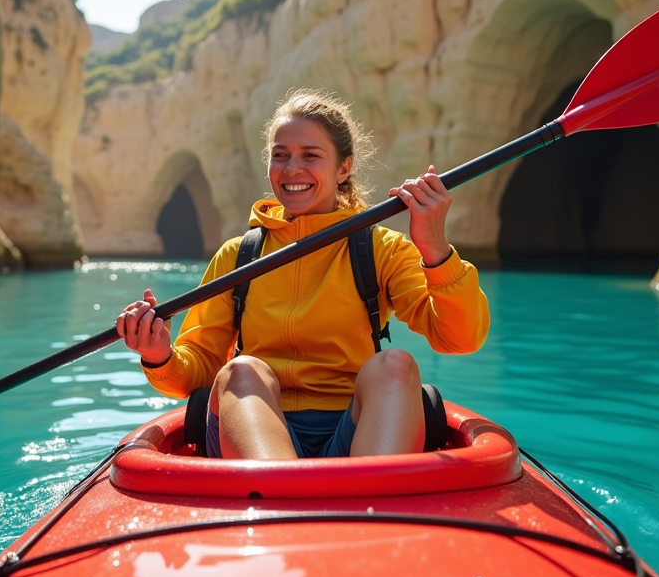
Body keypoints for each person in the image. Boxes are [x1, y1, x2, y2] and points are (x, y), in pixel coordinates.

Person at [116, 89, 489, 460]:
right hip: (257, 426)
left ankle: (361, 489)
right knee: (241, 371)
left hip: (356, 431)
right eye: (280, 155)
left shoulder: (381, 249)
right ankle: (283, 488)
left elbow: (459, 339)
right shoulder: (238, 256)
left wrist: (435, 249)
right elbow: (197, 370)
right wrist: (158, 354)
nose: (292, 168)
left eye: (310, 155)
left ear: (343, 169)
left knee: (395, 364)